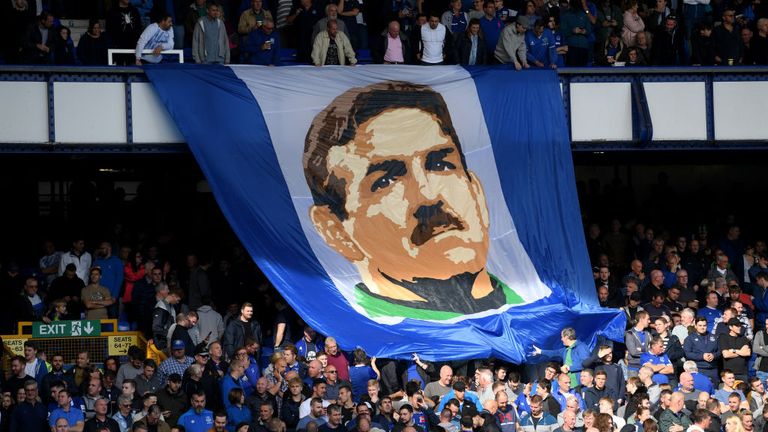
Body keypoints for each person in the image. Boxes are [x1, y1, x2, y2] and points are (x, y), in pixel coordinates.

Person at [303, 81, 524, 320]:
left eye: (440, 165)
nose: (428, 196)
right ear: (335, 231)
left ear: (478, 194)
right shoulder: (358, 326)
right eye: (386, 182)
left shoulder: (535, 305)